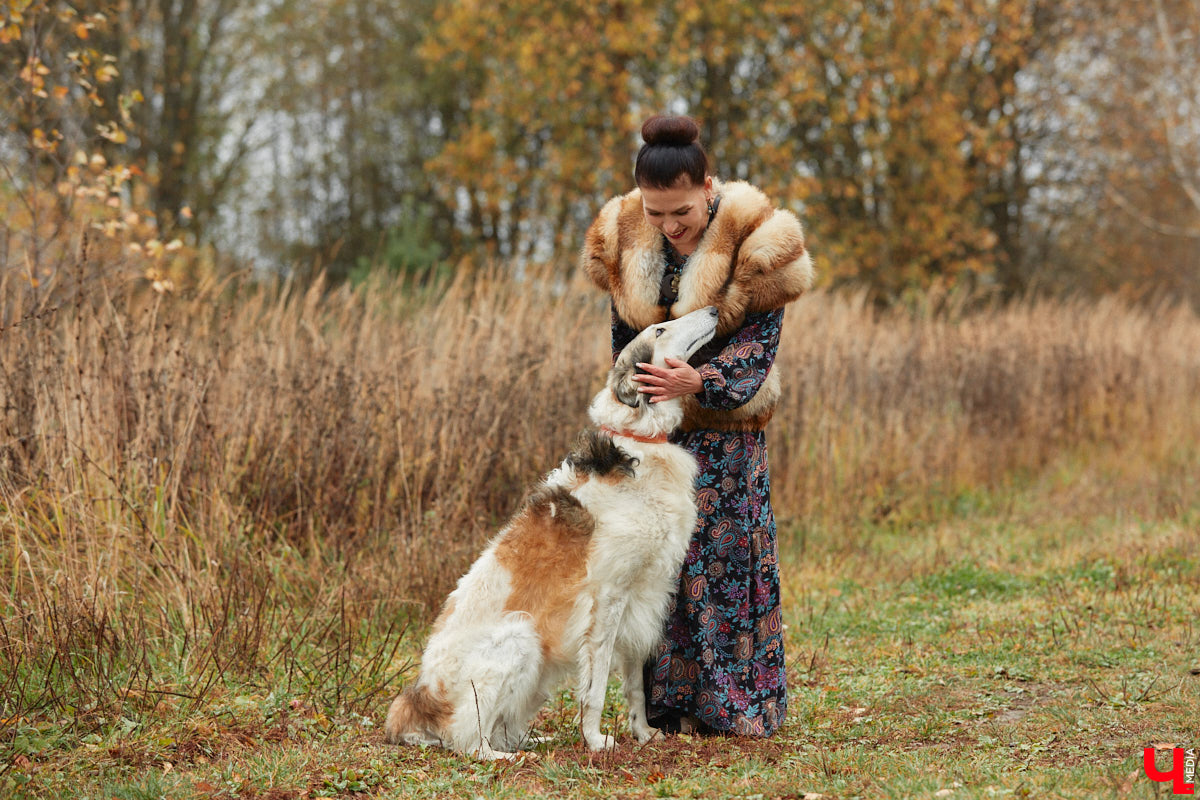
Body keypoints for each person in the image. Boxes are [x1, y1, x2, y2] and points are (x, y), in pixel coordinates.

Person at [580, 114, 815, 737]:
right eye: (656, 213)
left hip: (728, 435)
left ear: (707, 187)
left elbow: (761, 347)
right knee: (662, 565)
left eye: (680, 210)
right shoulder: (626, 241)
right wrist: (640, 406)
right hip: (659, 437)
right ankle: (663, 706)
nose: (669, 225)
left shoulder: (756, 243)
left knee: (726, 562)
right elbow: (624, 348)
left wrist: (701, 383)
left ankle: (736, 707)